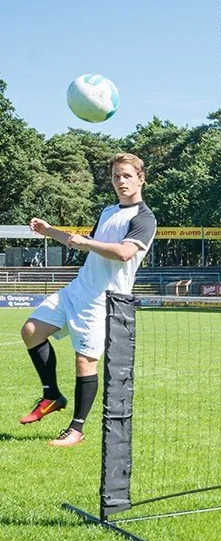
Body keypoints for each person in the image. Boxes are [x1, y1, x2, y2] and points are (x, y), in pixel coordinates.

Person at [19, 152, 156, 447]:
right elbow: (82, 243)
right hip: (78, 289)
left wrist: (86, 242)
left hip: (103, 299)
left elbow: (123, 253)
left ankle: (76, 430)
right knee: (31, 331)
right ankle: (52, 395)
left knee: (85, 362)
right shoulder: (108, 211)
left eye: (127, 175)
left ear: (141, 179)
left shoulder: (144, 218)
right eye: (116, 176)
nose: (120, 181)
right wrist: (48, 231)